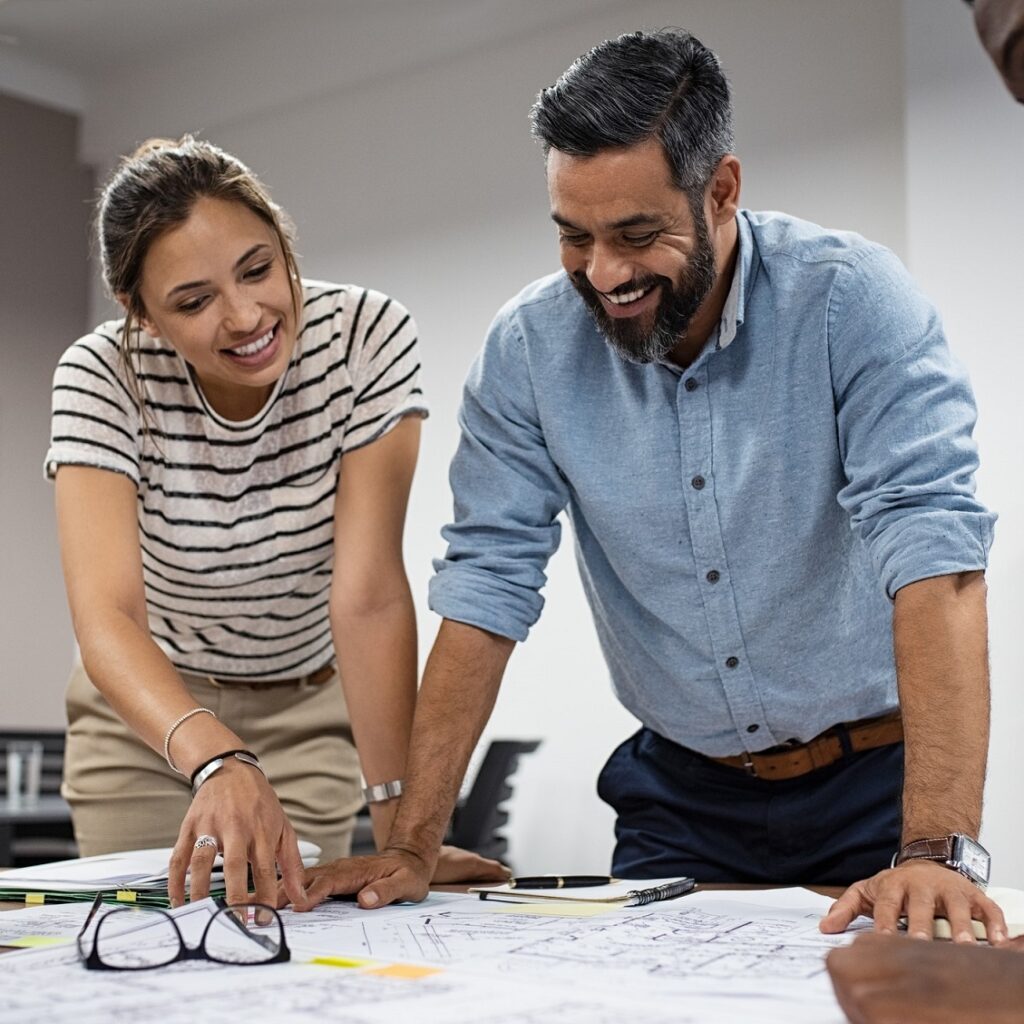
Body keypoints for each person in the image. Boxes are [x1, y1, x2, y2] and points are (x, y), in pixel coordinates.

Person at [289, 28, 1004, 941]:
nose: (605, 274)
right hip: (679, 797)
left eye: (636, 236)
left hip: (877, 792)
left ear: (722, 191)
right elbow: (485, 586)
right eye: (573, 237)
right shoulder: (527, 353)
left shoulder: (849, 300)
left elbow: (934, 555)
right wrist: (412, 840)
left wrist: (937, 848)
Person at [46, 137, 505, 911]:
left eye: (258, 269)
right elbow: (107, 617)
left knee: (286, 950)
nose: (247, 316)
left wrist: (402, 835)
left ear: (284, 240)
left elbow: (367, 595)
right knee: (149, 952)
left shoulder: (365, 336)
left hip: (304, 712)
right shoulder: (102, 374)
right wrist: (218, 762)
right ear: (142, 314)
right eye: (193, 302)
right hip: (148, 721)